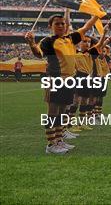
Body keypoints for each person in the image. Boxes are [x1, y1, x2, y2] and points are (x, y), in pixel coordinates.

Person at [24, 14, 98, 154]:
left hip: (70, 80)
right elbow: (38, 54)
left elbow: (86, 27)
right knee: (53, 112)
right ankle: (51, 144)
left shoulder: (70, 39)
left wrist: (97, 15)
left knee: (63, 112)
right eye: (57, 24)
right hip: (56, 80)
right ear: (50, 26)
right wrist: (31, 43)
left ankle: (59, 140)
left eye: (63, 23)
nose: (61, 26)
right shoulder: (48, 41)